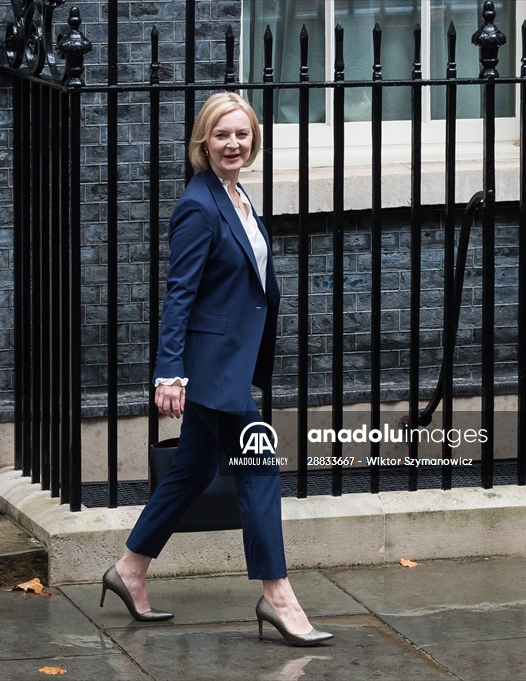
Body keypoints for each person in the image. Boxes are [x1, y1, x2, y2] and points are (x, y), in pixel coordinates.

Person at [99, 92, 333, 646]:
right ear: (203, 142)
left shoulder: (236, 196)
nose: (233, 144)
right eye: (222, 135)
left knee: (192, 470)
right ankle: (277, 595)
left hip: (228, 362)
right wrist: (169, 373)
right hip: (208, 369)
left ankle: (129, 570)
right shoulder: (198, 205)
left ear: (253, 141)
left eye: (242, 134)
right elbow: (178, 295)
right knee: (258, 466)